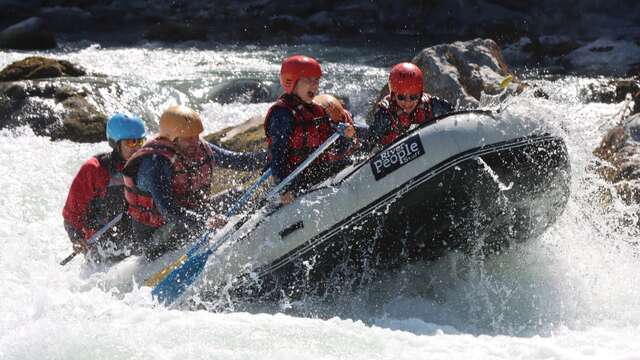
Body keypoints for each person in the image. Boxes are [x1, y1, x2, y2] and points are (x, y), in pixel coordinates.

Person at [123, 105, 266, 260]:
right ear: (172, 138)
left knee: (237, 194)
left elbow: (239, 161)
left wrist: (271, 155)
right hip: (155, 238)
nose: (195, 142)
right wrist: (205, 220)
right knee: (189, 226)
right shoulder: (155, 163)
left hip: (192, 216)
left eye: (196, 136)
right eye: (188, 138)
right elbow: (168, 211)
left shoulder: (200, 148)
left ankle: (266, 220)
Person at [264, 55, 356, 204]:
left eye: (316, 81)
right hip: (294, 181)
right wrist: (284, 189)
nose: (314, 86)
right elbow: (278, 156)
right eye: (308, 81)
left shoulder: (317, 110)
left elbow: (333, 146)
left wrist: (346, 137)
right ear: (291, 82)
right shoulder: (282, 115)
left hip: (318, 173)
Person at [62, 113, 147, 263]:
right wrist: (76, 238)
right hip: (103, 246)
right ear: (116, 144)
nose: (138, 148)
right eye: (131, 142)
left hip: (137, 238)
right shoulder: (94, 169)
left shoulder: (147, 164)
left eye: (141, 141)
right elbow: (71, 214)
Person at [369, 62, 453, 146]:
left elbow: (454, 116)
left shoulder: (431, 105)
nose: (408, 102)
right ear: (393, 96)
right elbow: (371, 141)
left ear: (420, 95)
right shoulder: (385, 114)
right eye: (401, 97)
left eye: (413, 97)